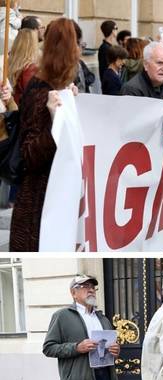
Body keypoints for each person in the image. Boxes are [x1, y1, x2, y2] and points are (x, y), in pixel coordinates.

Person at [10, 17, 80, 252]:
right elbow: (29, 155)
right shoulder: (39, 91)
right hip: (37, 205)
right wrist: (54, 119)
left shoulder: (57, 88)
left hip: (57, 196)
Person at [7, 27, 39, 103]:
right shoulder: (30, 68)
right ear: (33, 45)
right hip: (21, 105)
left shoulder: (8, 60)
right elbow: (31, 95)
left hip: (10, 103)